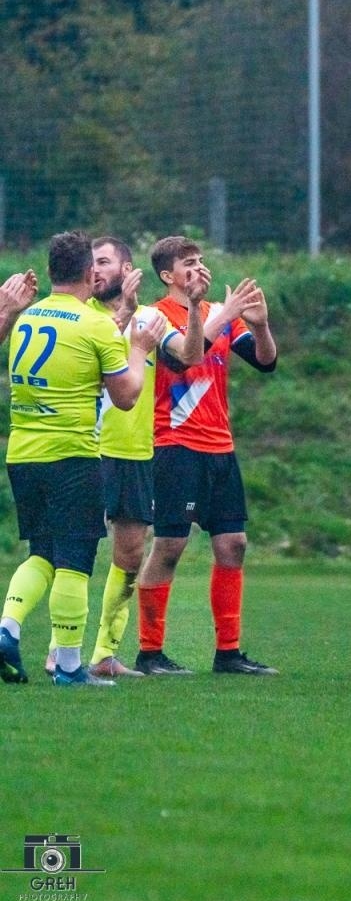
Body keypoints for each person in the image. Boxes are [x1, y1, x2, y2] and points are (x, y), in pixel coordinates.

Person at [0, 232, 158, 686]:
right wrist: (139, 349)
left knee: (42, 552)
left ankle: (8, 628)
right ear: (91, 274)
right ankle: (69, 666)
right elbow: (126, 396)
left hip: (22, 452)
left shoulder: (28, 316)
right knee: (75, 559)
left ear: (50, 272)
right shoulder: (95, 326)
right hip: (71, 455)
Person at [134, 236, 279, 676]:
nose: (198, 268)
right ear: (167, 275)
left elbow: (266, 362)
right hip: (176, 446)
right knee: (171, 545)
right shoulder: (154, 316)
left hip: (220, 447)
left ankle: (229, 653)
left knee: (233, 545)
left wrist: (259, 326)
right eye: (188, 263)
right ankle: (149, 651)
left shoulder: (220, 311)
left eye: (200, 261)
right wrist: (222, 314)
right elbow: (185, 359)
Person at [80, 236, 167, 679]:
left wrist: (198, 307)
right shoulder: (82, 316)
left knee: (130, 557)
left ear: (127, 268)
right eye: (91, 263)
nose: (95, 270)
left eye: (104, 262)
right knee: (70, 549)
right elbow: (98, 360)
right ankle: (62, 651)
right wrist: (125, 315)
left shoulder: (152, 318)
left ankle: (104, 654)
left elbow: (189, 356)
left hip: (134, 452)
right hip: (86, 449)